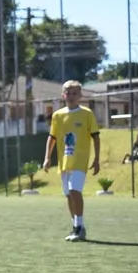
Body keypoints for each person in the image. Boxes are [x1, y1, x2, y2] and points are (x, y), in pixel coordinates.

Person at [42, 81, 101, 242]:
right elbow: (52, 138)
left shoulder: (87, 114)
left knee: (75, 190)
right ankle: (76, 226)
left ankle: (80, 227)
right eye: (68, 93)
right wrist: (47, 157)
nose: (71, 96)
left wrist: (96, 159)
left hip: (80, 160)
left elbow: (95, 136)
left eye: (74, 93)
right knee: (68, 195)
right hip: (64, 162)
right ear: (63, 95)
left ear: (80, 96)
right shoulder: (58, 116)